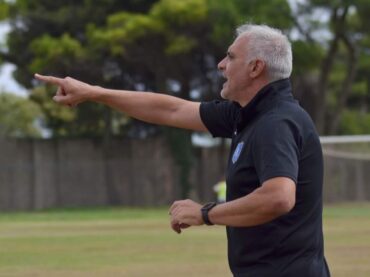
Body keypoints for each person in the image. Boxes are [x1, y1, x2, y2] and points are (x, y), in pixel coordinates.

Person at [35, 23, 330, 277]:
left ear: (255, 68)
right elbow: (172, 110)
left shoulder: (275, 123)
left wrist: (205, 213)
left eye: (230, 56)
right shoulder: (248, 114)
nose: (221, 65)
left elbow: (279, 197)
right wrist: (94, 93)